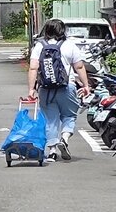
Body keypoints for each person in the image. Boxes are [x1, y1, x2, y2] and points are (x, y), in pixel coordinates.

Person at [26, 18, 92, 161]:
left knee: (50, 120)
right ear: (63, 30)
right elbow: (79, 67)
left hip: (46, 89)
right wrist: (86, 86)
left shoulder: (39, 46)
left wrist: (31, 89)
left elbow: (33, 68)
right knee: (69, 115)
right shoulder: (69, 45)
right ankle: (65, 138)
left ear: (46, 30)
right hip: (66, 87)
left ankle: (52, 152)